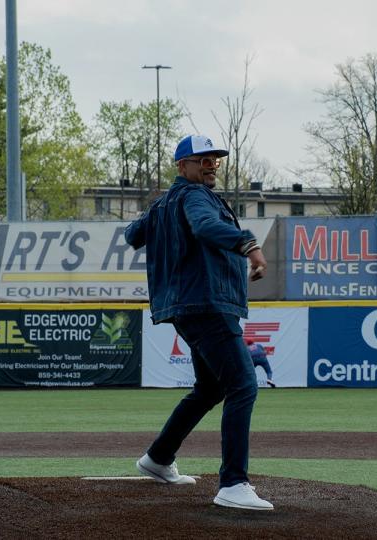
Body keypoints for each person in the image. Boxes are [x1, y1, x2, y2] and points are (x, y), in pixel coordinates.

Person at [125, 134, 273, 511]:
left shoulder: (166, 202)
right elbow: (206, 227)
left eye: (215, 160)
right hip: (207, 304)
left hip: (186, 306)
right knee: (242, 384)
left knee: (210, 389)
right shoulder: (194, 197)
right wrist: (249, 244)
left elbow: (132, 235)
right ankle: (233, 483)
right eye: (202, 159)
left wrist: (159, 211)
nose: (210, 166)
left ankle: (158, 458)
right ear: (182, 166)